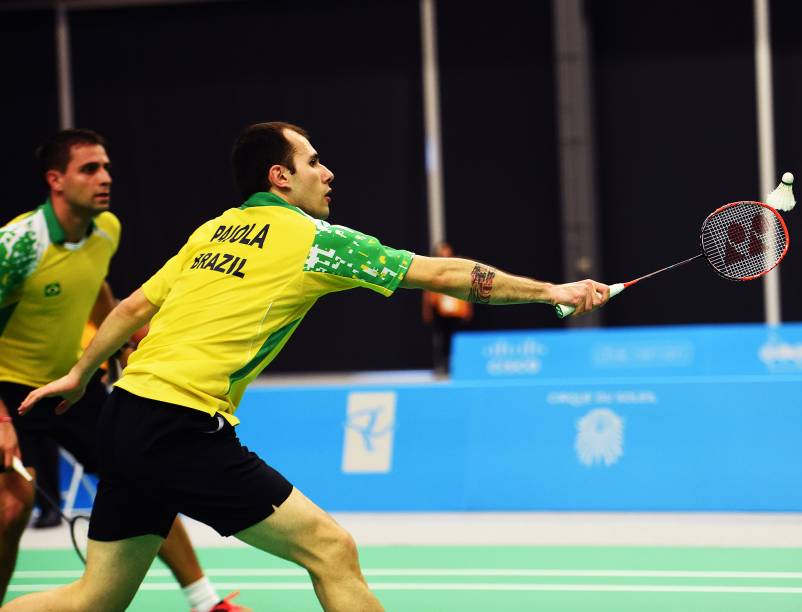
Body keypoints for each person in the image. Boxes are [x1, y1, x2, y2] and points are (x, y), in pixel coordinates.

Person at [6, 121, 610, 611]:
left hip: (125, 413)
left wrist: (81, 374)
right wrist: (553, 290)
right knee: (331, 550)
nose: (328, 172)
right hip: (179, 422)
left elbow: (134, 306)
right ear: (281, 177)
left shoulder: (213, 231)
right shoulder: (315, 238)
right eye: (314, 161)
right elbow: (449, 275)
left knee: (94, 599)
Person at [0, 129, 244, 611]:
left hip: (70, 382)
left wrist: (122, 341)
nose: (105, 177)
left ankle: (206, 602)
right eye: (90, 169)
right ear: (56, 180)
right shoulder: (18, 244)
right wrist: (1, 420)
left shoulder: (106, 229)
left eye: (107, 167)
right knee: (12, 506)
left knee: (146, 472)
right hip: (9, 386)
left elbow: (94, 287)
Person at [422, 241, 473, 375]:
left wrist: (467, 309)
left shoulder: (458, 265)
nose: (445, 253)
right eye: (442, 251)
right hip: (440, 310)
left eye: (446, 250)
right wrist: (427, 310)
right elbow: (428, 291)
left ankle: (456, 366)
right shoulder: (433, 266)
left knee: (456, 339)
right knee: (441, 340)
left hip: (455, 309)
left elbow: (466, 287)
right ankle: (441, 366)